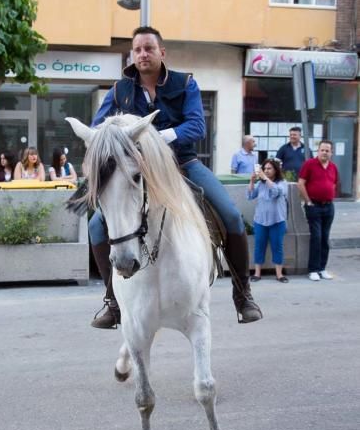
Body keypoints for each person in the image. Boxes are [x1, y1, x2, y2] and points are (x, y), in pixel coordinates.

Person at [89, 25, 263, 328]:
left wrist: (159, 138)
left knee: (232, 216)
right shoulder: (120, 90)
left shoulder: (186, 84)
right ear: (132, 54)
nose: (143, 54)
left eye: (149, 48)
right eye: (138, 49)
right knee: (95, 225)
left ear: (161, 52)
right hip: (139, 171)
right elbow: (98, 129)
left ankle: (243, 294)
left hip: (183, 164)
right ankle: (112, 301)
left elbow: (197, 127)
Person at [297, 140, 339, 281]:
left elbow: (333, 184)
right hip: (313, 205)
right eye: (322, 150)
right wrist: (308, 201)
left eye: (327, 150)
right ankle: (313, 269)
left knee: (325, 238)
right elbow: (301, 183)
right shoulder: (309, 164)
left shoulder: (333, 167)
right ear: (318, 150)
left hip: (328, 206)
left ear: (331, 153)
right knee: (316, 237)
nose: (325, 153)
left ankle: (322, 268)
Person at [247, 158, 289, 282]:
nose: (266, 170)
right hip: (260, 220)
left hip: (277, 221)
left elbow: (276, 192)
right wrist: (252, 181)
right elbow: (250, 195)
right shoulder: (261, 184)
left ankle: (279, 274)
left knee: (278, 247)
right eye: (264, 169)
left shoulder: (282, 183)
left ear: (276, 170)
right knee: (259, 246)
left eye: (269, 168)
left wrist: (265, 178)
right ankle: (257, 273)